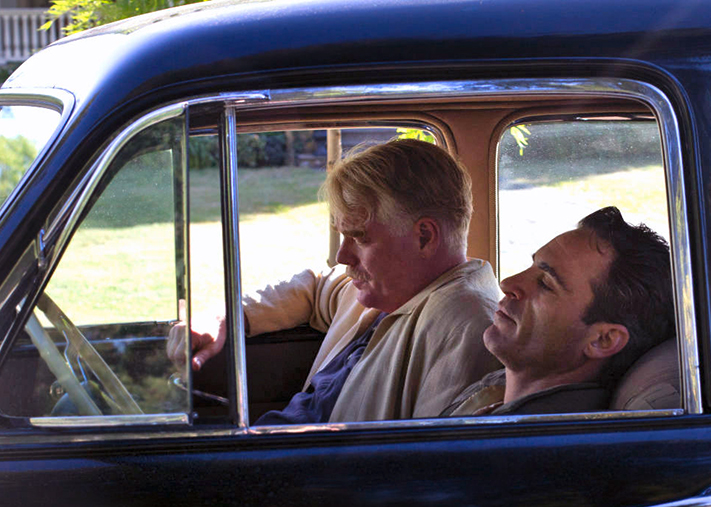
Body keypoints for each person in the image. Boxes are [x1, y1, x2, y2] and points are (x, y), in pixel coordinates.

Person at [169, 138, 500, 423]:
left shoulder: (468, 332)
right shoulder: (391, 290)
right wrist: (225, 316)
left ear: (424, 237)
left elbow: (421, 462)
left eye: (359, 237)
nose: (342, 256)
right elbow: (314, 287)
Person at [443, 206, 674, 416]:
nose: (508, 283)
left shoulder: (528, 443)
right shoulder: (494, 391)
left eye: (545, 283)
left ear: (603, 339)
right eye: (531, 267)